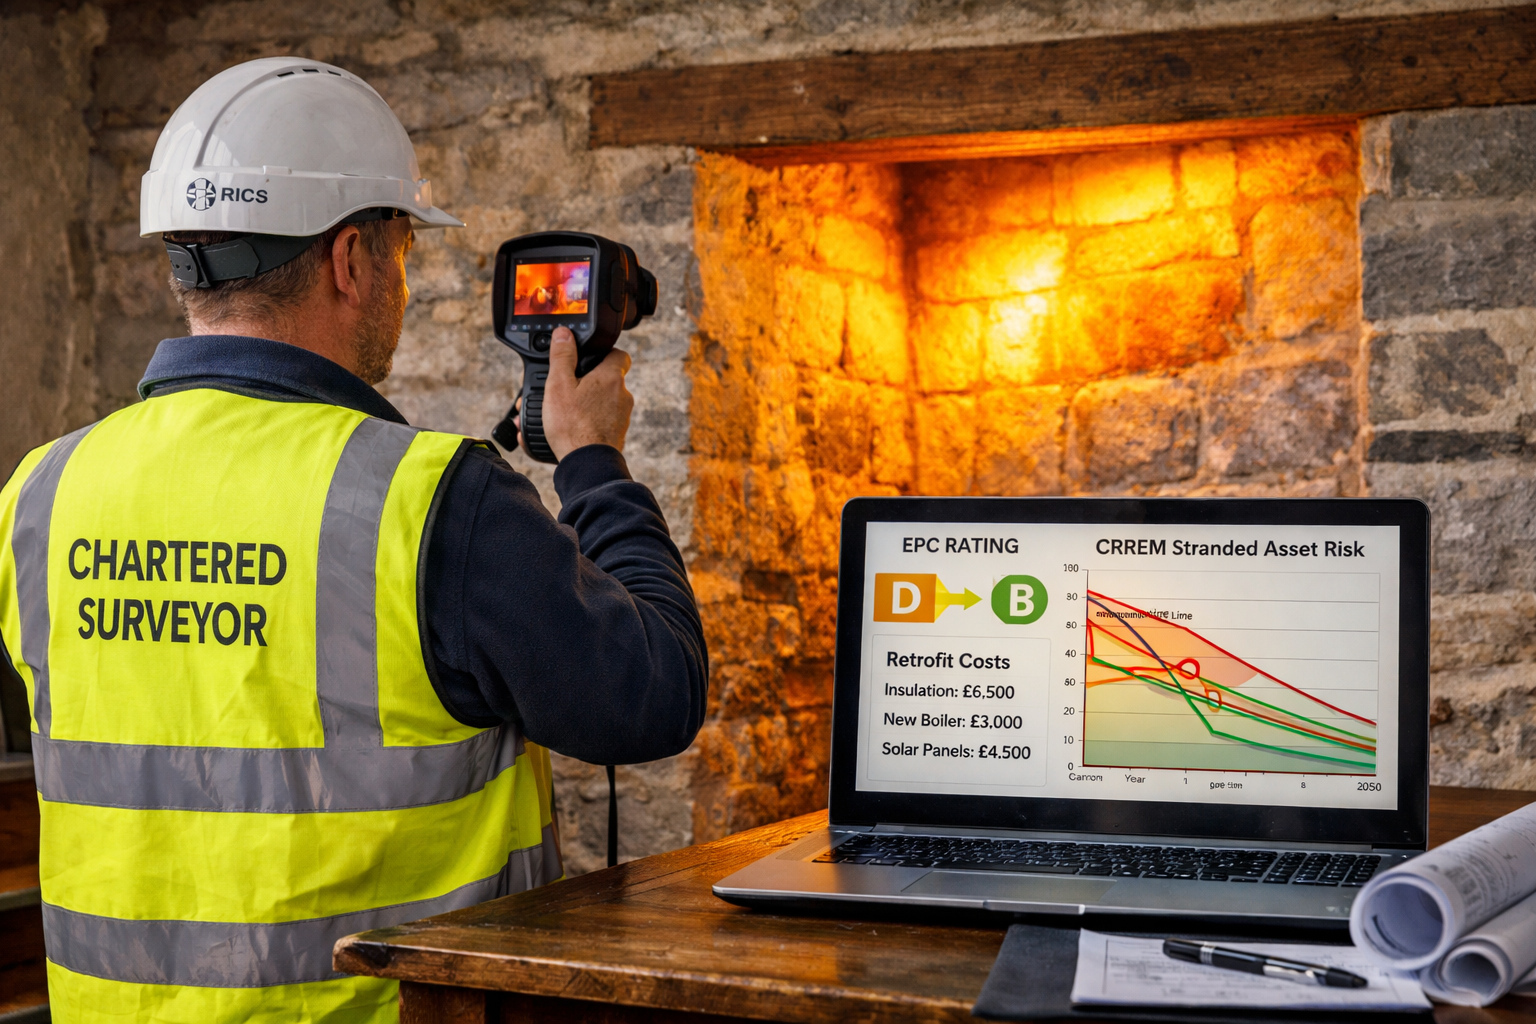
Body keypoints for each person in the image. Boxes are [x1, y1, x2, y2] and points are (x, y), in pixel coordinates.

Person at [0, 56, 707, 1023]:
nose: (403, 284)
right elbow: (652, 695)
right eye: (404, 251)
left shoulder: (42, 491)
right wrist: (593, 461)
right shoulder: (431, 502)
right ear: (351, 260)